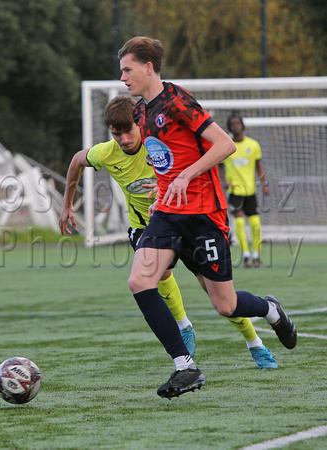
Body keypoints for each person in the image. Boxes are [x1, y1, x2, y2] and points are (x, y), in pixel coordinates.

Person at [118, 36, 297, 399]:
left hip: (204, 214)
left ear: (148, 67)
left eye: (127, 69)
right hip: (169, 213)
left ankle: (269, 309)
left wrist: (187, 175)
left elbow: (224, 144)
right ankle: (186, 367)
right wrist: (163, 189)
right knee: (140, 281)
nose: (122, 78)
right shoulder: (139, 112)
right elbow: (166, 157)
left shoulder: (178, 100)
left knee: (224, 304)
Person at [59, 95, 277, 371]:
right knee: (152, 271)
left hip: (186, 222)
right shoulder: (106, 153)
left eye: (128, 131)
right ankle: (183, 325)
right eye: (116, 134)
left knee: (219, 296)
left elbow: (200, 161)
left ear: (141, 125)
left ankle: (254, 342)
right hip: (146, 228)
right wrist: (67, 204)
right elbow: (77, 160)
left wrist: (166, 188)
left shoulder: (160, 144)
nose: (124, 139)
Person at [219, 113, 270, 268]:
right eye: (232, 124)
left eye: (238, 123)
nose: (236, 126)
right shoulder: (227, 145)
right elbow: (219, 165)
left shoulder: (253, 145)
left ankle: (256, 256)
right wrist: (224, 181)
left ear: (242, 125)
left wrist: (264, 183)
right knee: (239, 223)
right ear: (229, 127)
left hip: (250, 191)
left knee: (255, 224)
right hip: (235, 192)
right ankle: (246, 256)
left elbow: (258, 167)